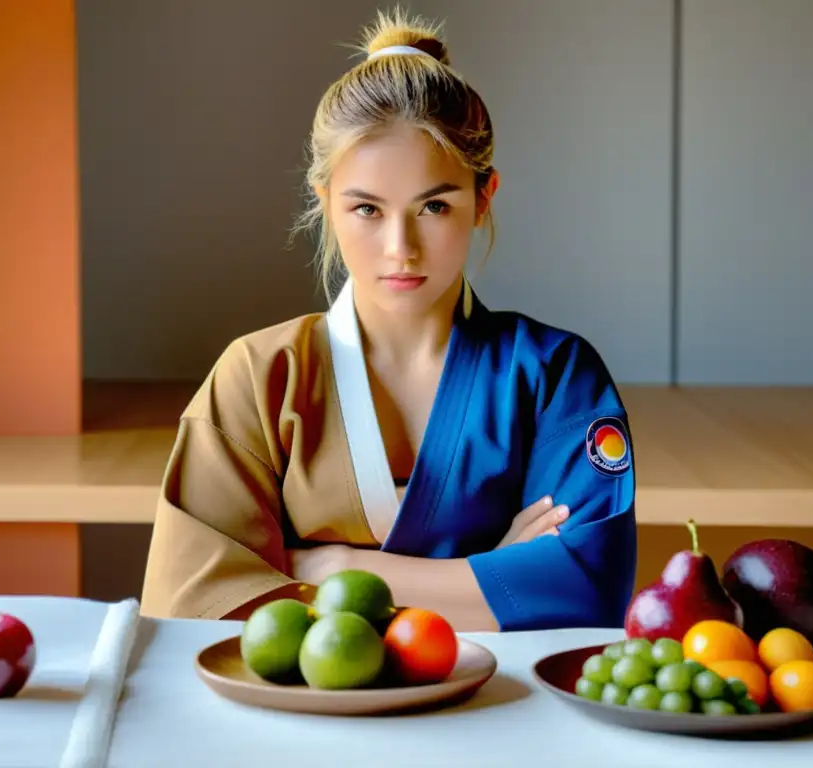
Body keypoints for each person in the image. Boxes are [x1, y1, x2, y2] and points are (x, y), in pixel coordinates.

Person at [139, 9, 638, 633]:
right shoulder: (260, 377)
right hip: (302, 715)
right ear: (326, 204)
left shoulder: (555, 375)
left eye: (434, 205)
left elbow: (586, 591)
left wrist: (325, 570)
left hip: (495, 712)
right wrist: (494, 574)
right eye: (368, 209)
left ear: (483, 198)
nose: (400, 246)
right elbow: (192, 603)